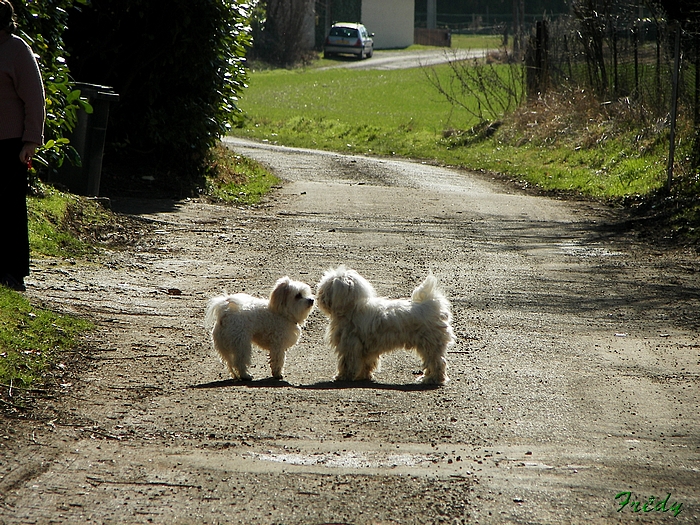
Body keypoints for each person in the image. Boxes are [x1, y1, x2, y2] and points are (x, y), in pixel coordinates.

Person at [0, 0, 45, 291]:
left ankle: (13, 271)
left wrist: (30, 140)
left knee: (9, 206)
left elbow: (35, 99)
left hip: (10, 143)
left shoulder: (17, 51)